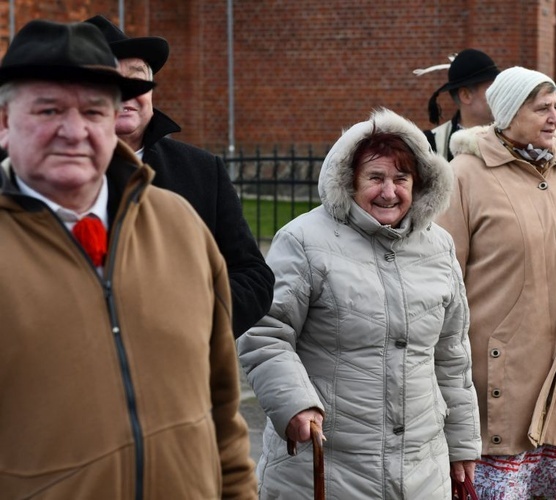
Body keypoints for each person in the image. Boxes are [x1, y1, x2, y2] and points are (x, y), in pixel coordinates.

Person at [0, 19, 255, 498]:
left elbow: (223, 409)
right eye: (49, 109)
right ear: (5, 122)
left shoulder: (179, 225)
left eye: (95, 110)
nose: (74, 131)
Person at [237, 108, 481, 498]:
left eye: (402, 178)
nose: (389, 192)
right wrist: (296, 404)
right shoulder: (303, 240)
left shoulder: (439, 246)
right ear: (348, 182)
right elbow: (265, 333)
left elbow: (452, 354)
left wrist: (463, 444)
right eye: (375, 178)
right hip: (328, 467)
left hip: (421, 471)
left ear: (419, 185)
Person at [435, 66, 556, 499]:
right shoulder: (465, 174)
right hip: (496, 369)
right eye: (540, 108)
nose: (554, 117)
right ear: (507, 113)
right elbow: (442, 276)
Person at [85, 15, 274, 337]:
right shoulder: (43, 176)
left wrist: (193, 319)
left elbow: (252, 275)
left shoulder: (201, 171)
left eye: (137, 78)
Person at [423, 48, 499, 161]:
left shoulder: (514, 136)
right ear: (466, 95)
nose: (500, 95)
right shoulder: (432, 145)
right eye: (492, 89)